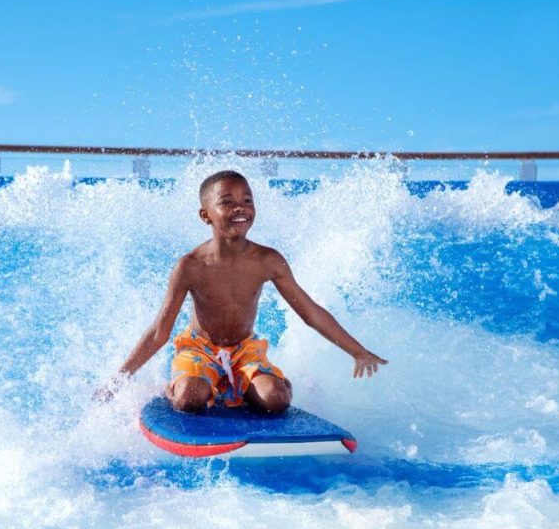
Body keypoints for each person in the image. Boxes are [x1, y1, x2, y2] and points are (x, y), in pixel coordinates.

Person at [101, 170, 387, 414]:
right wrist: (118, 380)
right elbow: (159, 332)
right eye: (227, 202)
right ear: (206, 215)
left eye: (247, 201)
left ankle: (253, 382)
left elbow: (310, 312)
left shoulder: (267, 260)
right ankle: (182, 383)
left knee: (276, 401)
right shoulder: (190, 266)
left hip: (244, 351)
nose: (240, 208)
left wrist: (357, 352)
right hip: (199, 349)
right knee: (190, 400)